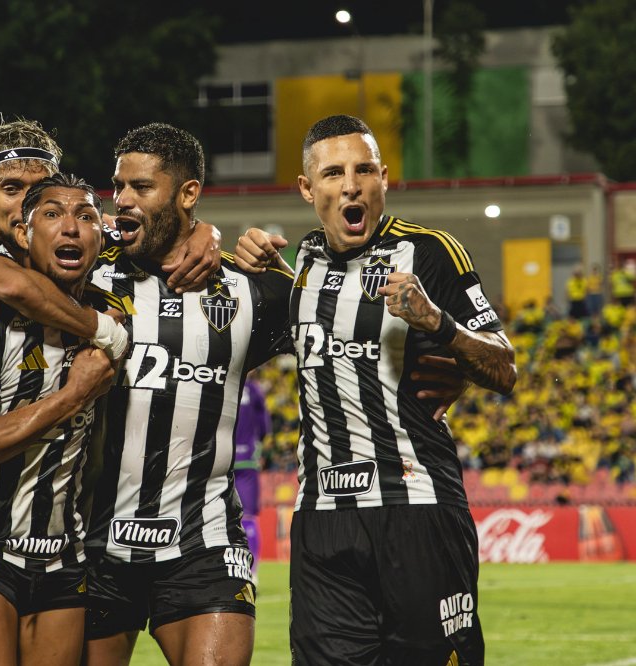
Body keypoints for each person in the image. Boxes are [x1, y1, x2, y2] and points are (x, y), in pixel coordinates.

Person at [235, 114, 516, 665]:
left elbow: (504, 369)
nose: (351, 186)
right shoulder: (301, 266)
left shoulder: (431, 252)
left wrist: (439, 323)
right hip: (322, 517)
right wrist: (241, 257)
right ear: (307, 189)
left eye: (364, 170)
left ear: (384, 178)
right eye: (333, 173)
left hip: (417, 506)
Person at [83, 123, 294, 666]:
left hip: (203, 543)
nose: (122, 200)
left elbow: (328, 332)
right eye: (118, 186)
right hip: (93, 542)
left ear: (188, 193)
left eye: (141, 187)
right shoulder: (85, 276)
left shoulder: (247, 290)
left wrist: (264, 260)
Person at [0, 173, 121, 665]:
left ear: (102, 236)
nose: (71, 228)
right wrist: (73, 395)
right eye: (52, 215)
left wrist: (210, 235)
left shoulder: (109, 314)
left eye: (85, 217)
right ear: (23, 233)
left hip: (64, 553)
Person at [0, 119, 219, 360]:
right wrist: (103, 329)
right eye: (11, 189)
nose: (27, 205)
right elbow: (16, 287)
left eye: (39, 189)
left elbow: (145, 228)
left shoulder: (69, 234)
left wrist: (203, 232)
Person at [233, 371, 269, 579]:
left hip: (222, 461)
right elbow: (264, 426)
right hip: (247, 459)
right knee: (247, 517)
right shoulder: (253, 388)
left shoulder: (224, 381)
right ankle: (252, 571)